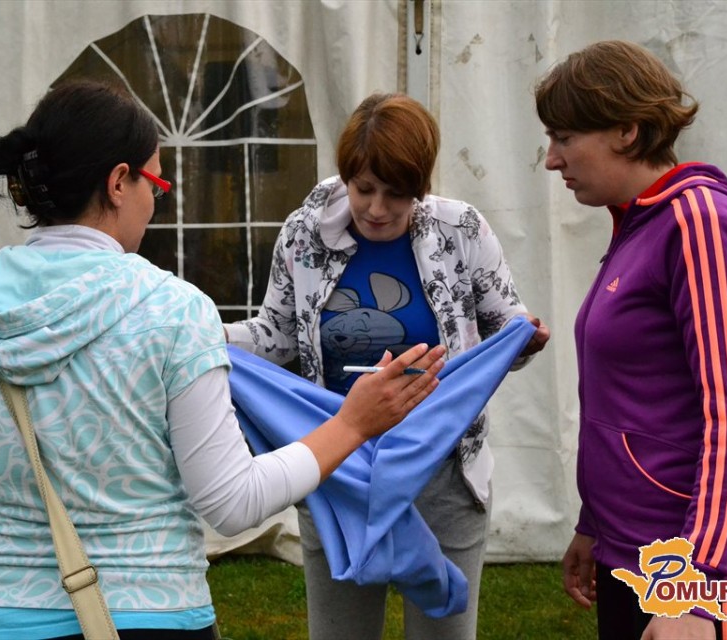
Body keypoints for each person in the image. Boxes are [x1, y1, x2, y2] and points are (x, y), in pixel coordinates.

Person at [0, 79, 447, 640]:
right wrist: (352, 425)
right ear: (118, 183)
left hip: (0, 617)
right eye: (155, 182)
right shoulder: (172, 311)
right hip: (154, 612)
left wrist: (1, 485)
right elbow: (231, 502)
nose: (155, 202)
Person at [224, 92, 550, 640]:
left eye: (396, 194)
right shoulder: (303, 235)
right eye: (364, 189)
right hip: (338, 467)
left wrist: (525, 340)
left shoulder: (462, 231)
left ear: (421, 186)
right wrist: (208, 336)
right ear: (346, 175)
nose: (377, 208)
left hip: (445, 474)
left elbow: (505, 328)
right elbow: (275, 337)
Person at [534, 40, 727, 640]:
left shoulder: (699, 224)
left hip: (699, 572)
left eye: (564, 137)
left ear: (627, 130)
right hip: (635, 554)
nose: (551, 159)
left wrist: (695, 588)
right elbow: (632, 400)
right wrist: (596, 524)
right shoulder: (641, 223)